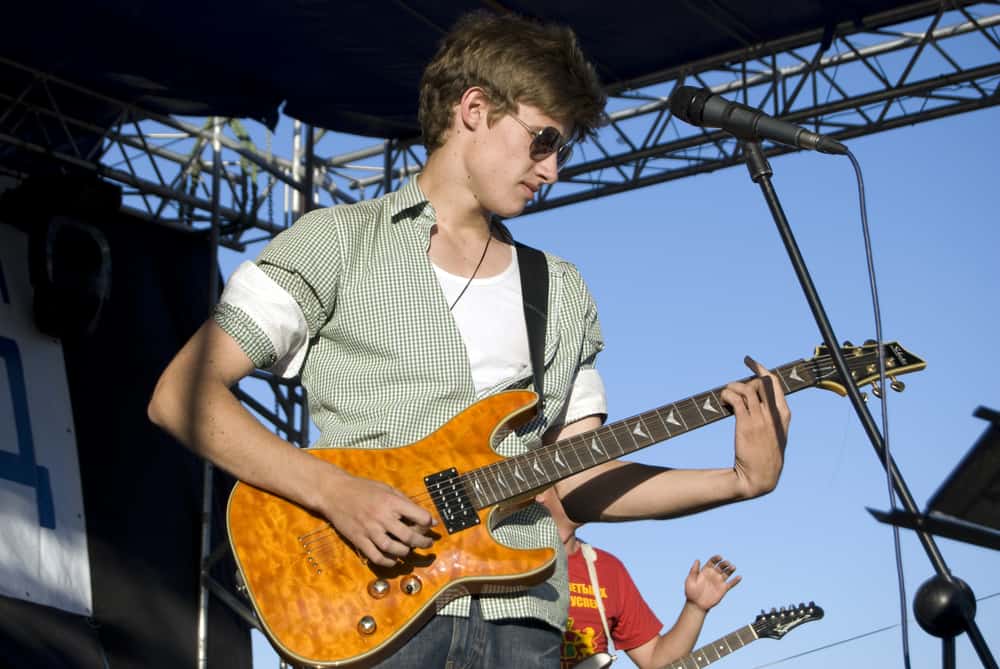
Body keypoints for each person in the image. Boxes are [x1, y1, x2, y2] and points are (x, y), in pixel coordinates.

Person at [147, 10, 790, 668]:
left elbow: (578, 476)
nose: (552, 171)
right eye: (542, 140)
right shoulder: (337, 242)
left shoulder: (561, 291)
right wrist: (333, 491)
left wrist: (737, 479)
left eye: (561, 150)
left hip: (524, 628)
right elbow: (180, 394)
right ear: (475, 108)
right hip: (370, 613)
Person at [536, 489, 740, 669]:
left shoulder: (607, 568)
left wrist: (696, 607)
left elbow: (655, 661)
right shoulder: (506, 561)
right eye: (572, 479)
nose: (586, 486)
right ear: (540, 493)